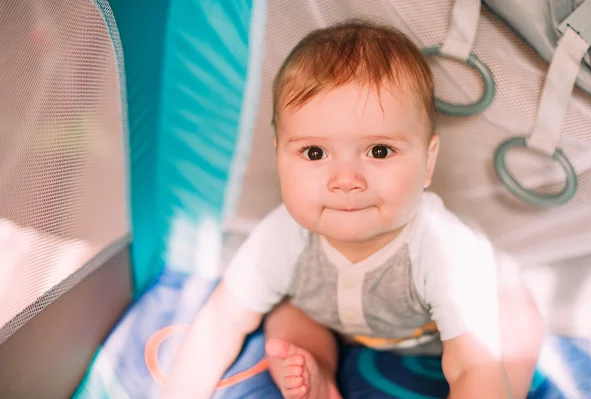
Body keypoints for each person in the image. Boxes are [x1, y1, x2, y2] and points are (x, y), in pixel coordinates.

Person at [163, 20, 544, 399]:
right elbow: (220, 322)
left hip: (442, 331)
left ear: (427, 163)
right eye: (315, 152)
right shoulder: (281, 237)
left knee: (514, 325)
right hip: (341, 323)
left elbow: (471, 364)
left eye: (379, 151)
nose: (345, 180)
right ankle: (321, 379)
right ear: (279, 154)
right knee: (284, 319)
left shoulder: (443, 248)